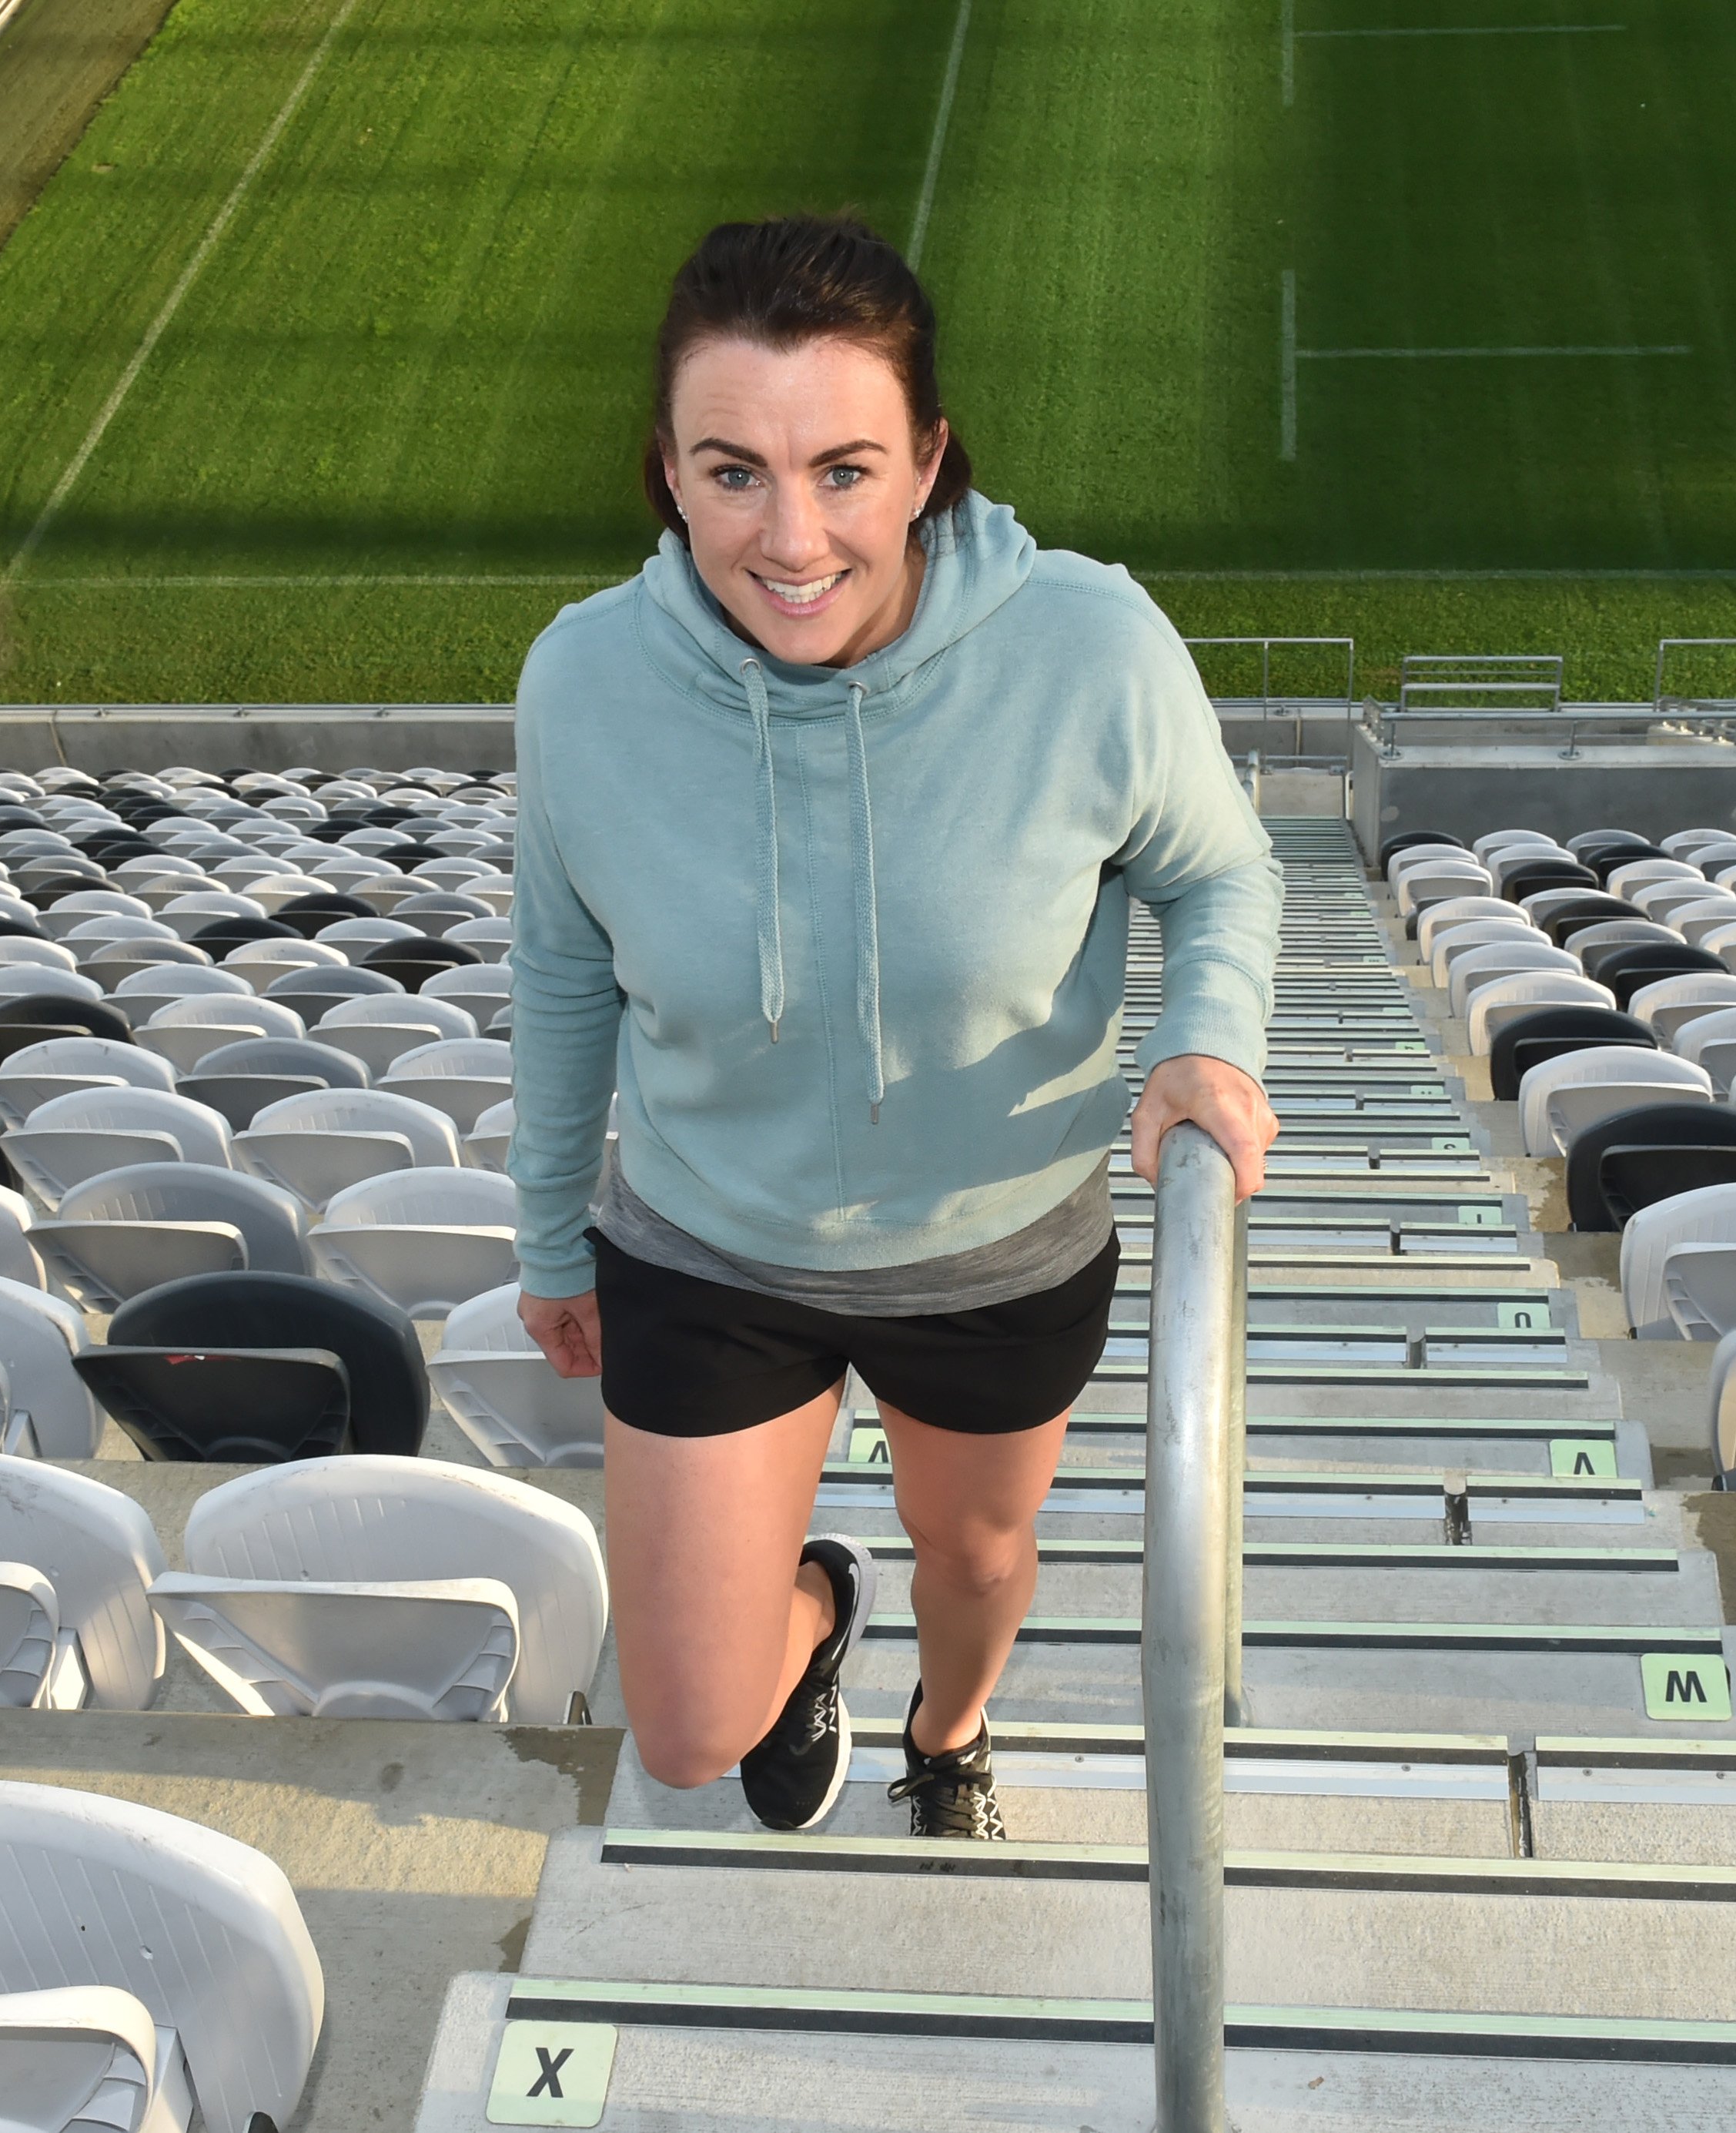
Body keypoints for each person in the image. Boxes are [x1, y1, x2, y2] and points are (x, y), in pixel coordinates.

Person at [506, 214, 1281, 1841]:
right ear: (665, 470)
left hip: (994, 1245)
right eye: (732, 472)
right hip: (709, 1242)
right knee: (684, 1732)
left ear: (928, 459)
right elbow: (565, 966)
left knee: (979, 1559)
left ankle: (947, 1729)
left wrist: (1204, 1042)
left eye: (843, 470)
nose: (790, 536)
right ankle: (805, 1618)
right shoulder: (583, 680)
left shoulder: (1087, 645)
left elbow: (1218, 871)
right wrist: (551, 1238)